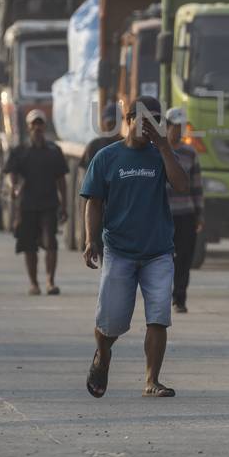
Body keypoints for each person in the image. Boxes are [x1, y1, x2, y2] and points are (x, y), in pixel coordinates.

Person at [80, 96, 189, 399]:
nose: (149, 126)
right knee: (110, 322)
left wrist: (165, 147)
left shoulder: (160, 156)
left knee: (158, 316)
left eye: (156, 120)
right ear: (127, 121)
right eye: (143, 119)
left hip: (157, 251)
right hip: (119, 250)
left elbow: (182, 186)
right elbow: (93, 202)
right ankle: (102, 356)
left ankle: (151, 381)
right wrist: (91, 240)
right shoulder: (106, 157)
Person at [4, 108, 69, 296]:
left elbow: (61, 180)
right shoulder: (20, 151)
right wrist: (14, 187)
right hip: (26, 205)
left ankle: (50, 281)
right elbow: (11, 174)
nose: (37, 127)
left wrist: (64, 204)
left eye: (40, 124)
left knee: (51, 243)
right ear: (29, 127)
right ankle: (34, 283)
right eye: (34, 124)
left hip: (49, 204)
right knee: (29, 246)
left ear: (44, 126)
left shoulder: (54, 151)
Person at [163, 107, 204, 313]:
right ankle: (162, 296)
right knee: (163, 258)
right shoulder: (158, 151)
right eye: (175, 127)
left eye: (181, 127)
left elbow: (196, 186)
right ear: (166, 126)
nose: (178, 131)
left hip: (186, 215)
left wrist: (199, 214)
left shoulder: (190, 153)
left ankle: (180, 298)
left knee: (184, 258)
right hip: (163, 216)